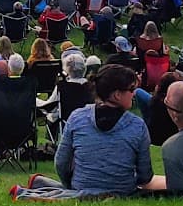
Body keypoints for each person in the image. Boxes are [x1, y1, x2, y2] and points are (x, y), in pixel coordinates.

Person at [36, 63, 152, 197]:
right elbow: (145, 175)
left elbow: (61, 162)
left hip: (81, 187)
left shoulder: (77, 118)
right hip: (123, 191)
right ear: (117, 95)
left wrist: (70, 185)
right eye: (132, 89)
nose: (134, 94)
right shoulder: (138, 126)